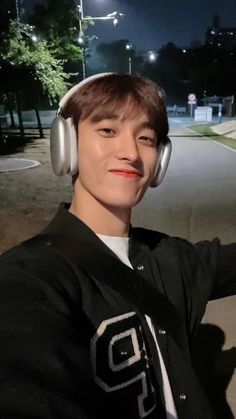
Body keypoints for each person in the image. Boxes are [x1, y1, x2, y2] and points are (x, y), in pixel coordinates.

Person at [0, 73, 235, 419]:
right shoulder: (31, 279)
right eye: (107, 130)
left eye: (146, 137)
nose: (130, 153)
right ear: (66, 144)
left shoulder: (172, 257)